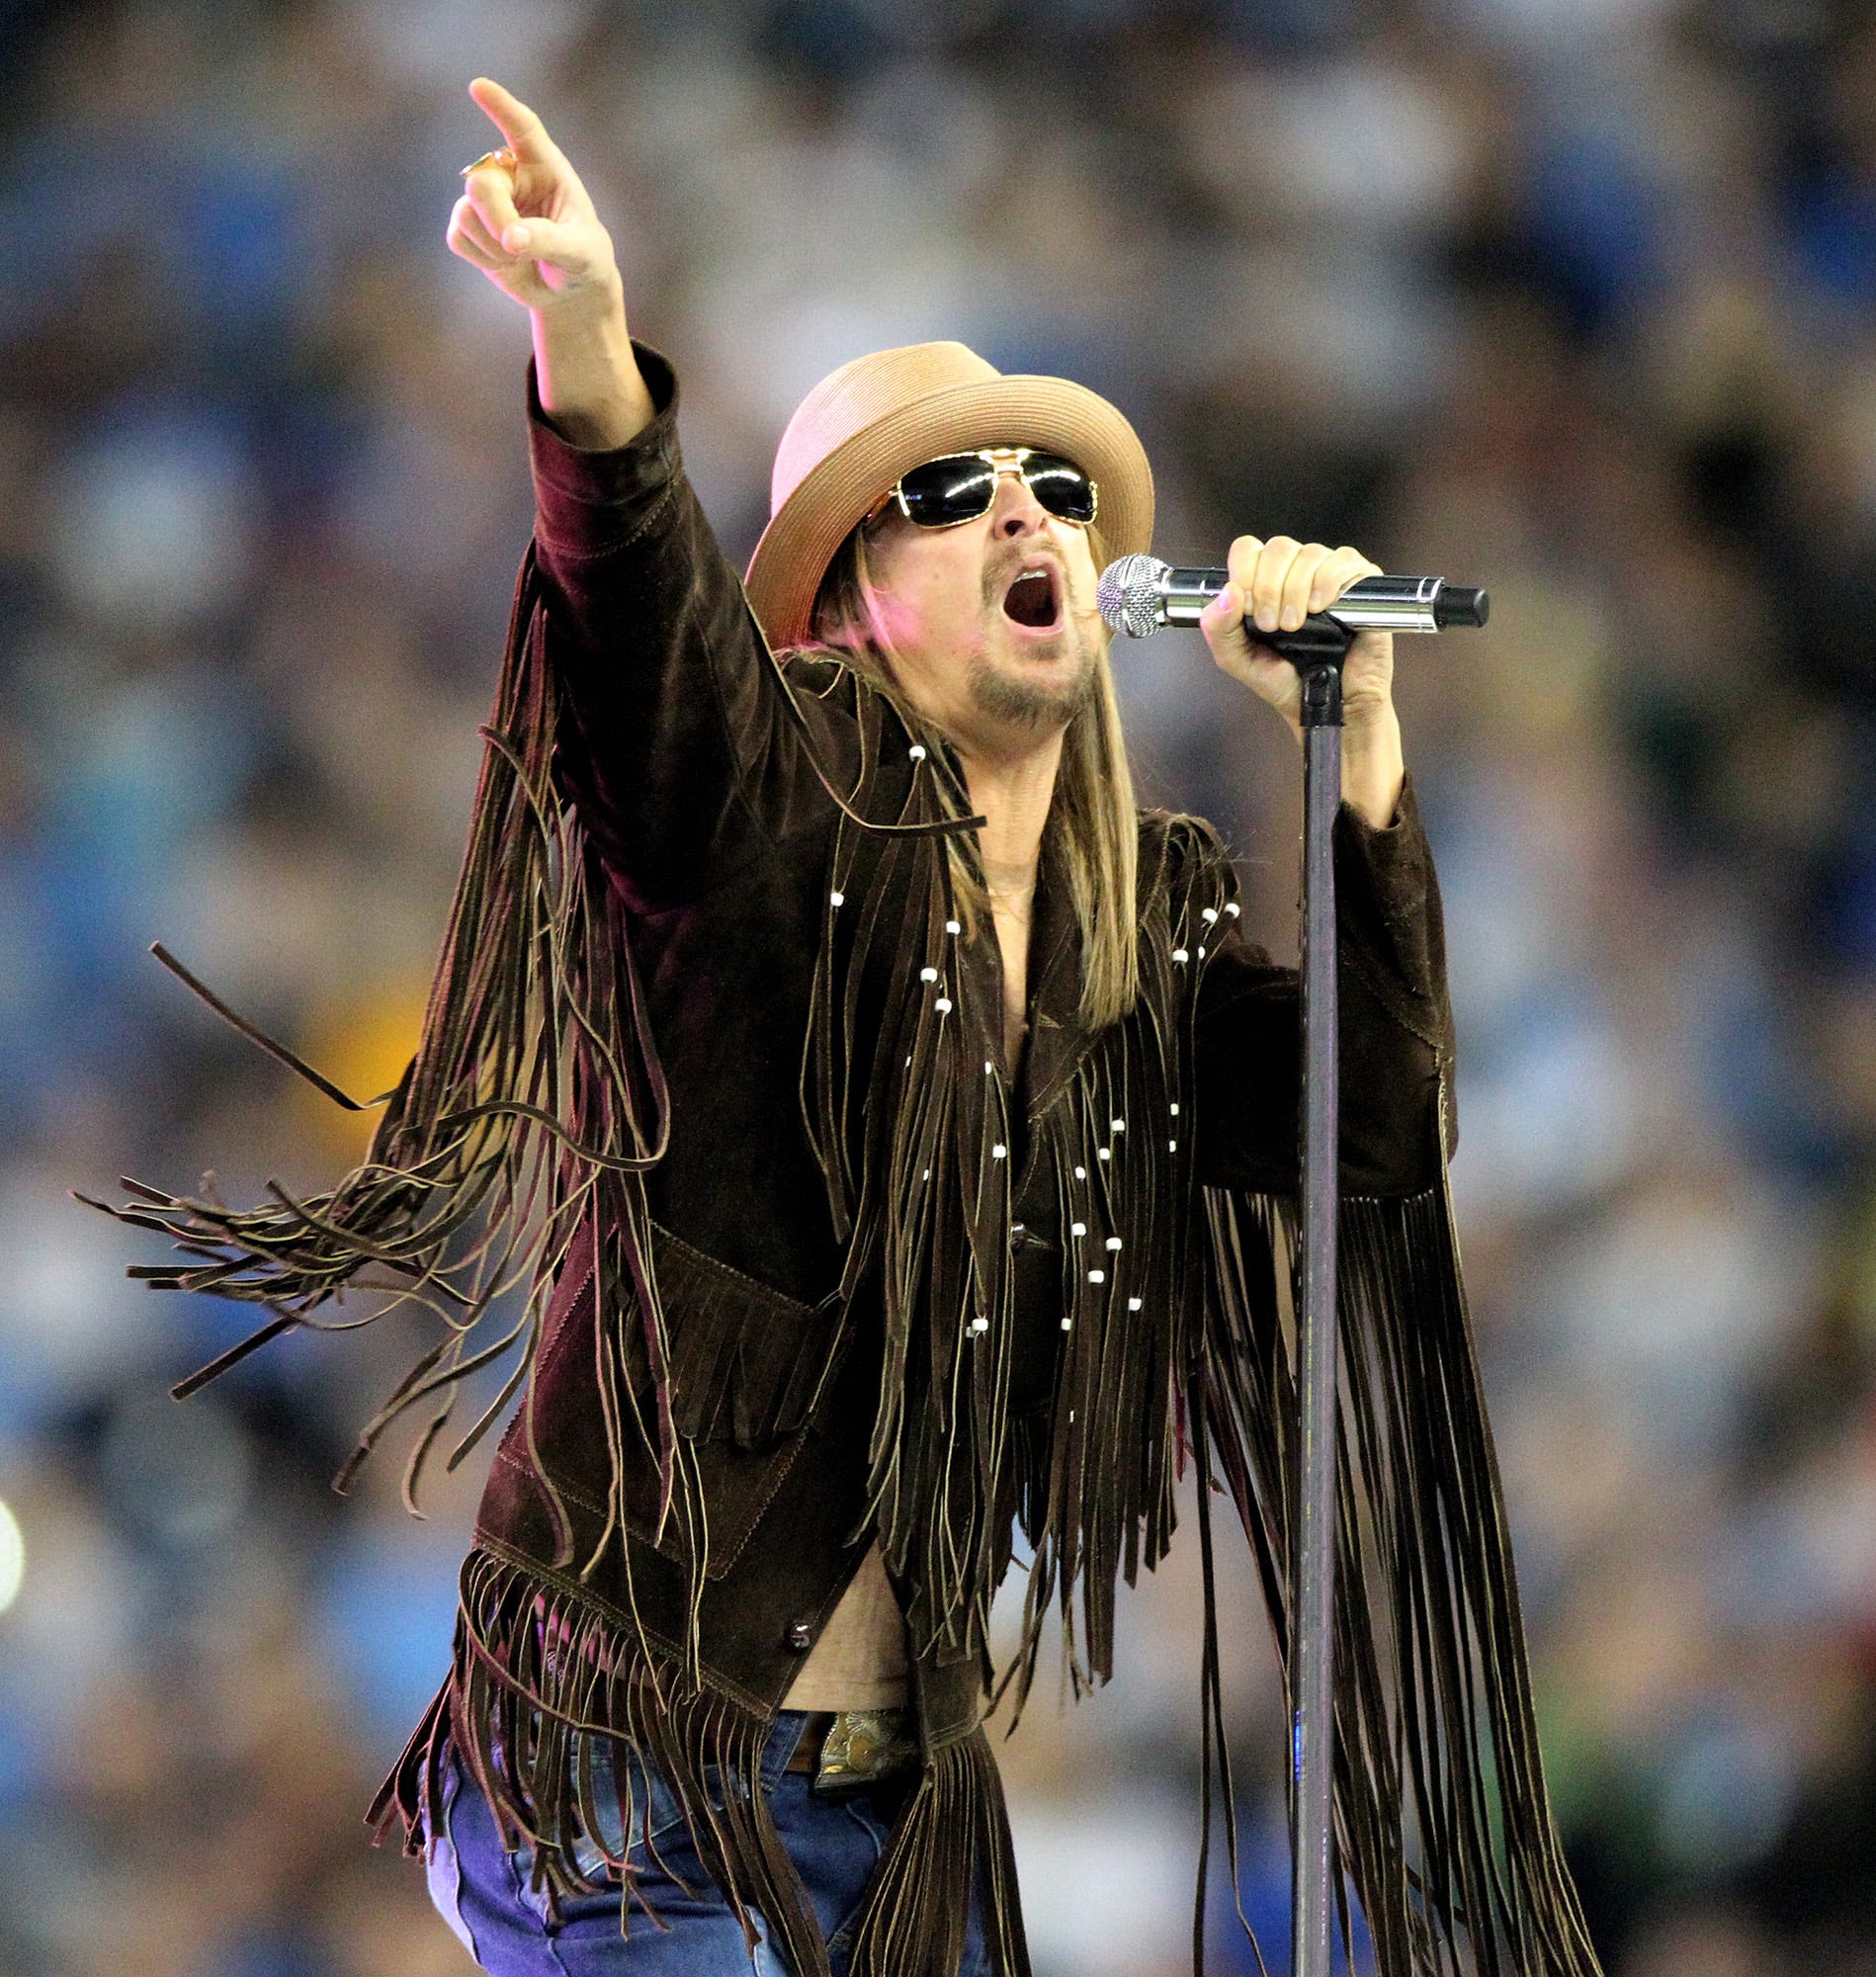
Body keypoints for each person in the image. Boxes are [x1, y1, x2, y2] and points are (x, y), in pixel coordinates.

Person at [103, 76, 1601, 1977]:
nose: (1021, 513)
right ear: (846, 607)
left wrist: (1362, 741)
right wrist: (584, 352)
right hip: (631, 1772)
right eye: (946, 495)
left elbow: (1370, 1123)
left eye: (1049, 488)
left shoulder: (1126, 946)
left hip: (892, 1817)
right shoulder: (764, 825)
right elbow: (643, 632)